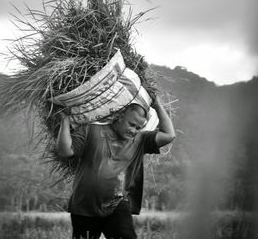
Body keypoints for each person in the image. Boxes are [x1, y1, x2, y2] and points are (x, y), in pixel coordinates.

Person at [56, 97, 175, 239]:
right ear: (118, 116)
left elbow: (169, 135)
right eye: (131, 124)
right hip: (84, 206)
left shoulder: (140, 140)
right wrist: (64, 120)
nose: (134, 131)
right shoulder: (91, 129)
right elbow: (65, 151)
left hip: (117, 204)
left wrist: (157, 105)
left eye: (139, 127)